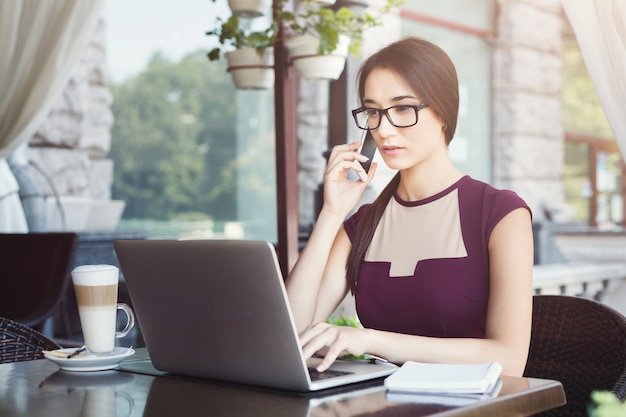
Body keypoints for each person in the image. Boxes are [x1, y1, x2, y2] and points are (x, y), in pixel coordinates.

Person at [285, 37, 534, 377]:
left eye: (403, 108)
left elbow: (509, 360)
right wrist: (332, 213)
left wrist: (370, 339)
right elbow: (292, 334)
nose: (383, 129)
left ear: (444, 112)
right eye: (373, 111)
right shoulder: (363, 224)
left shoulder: (500, 213)